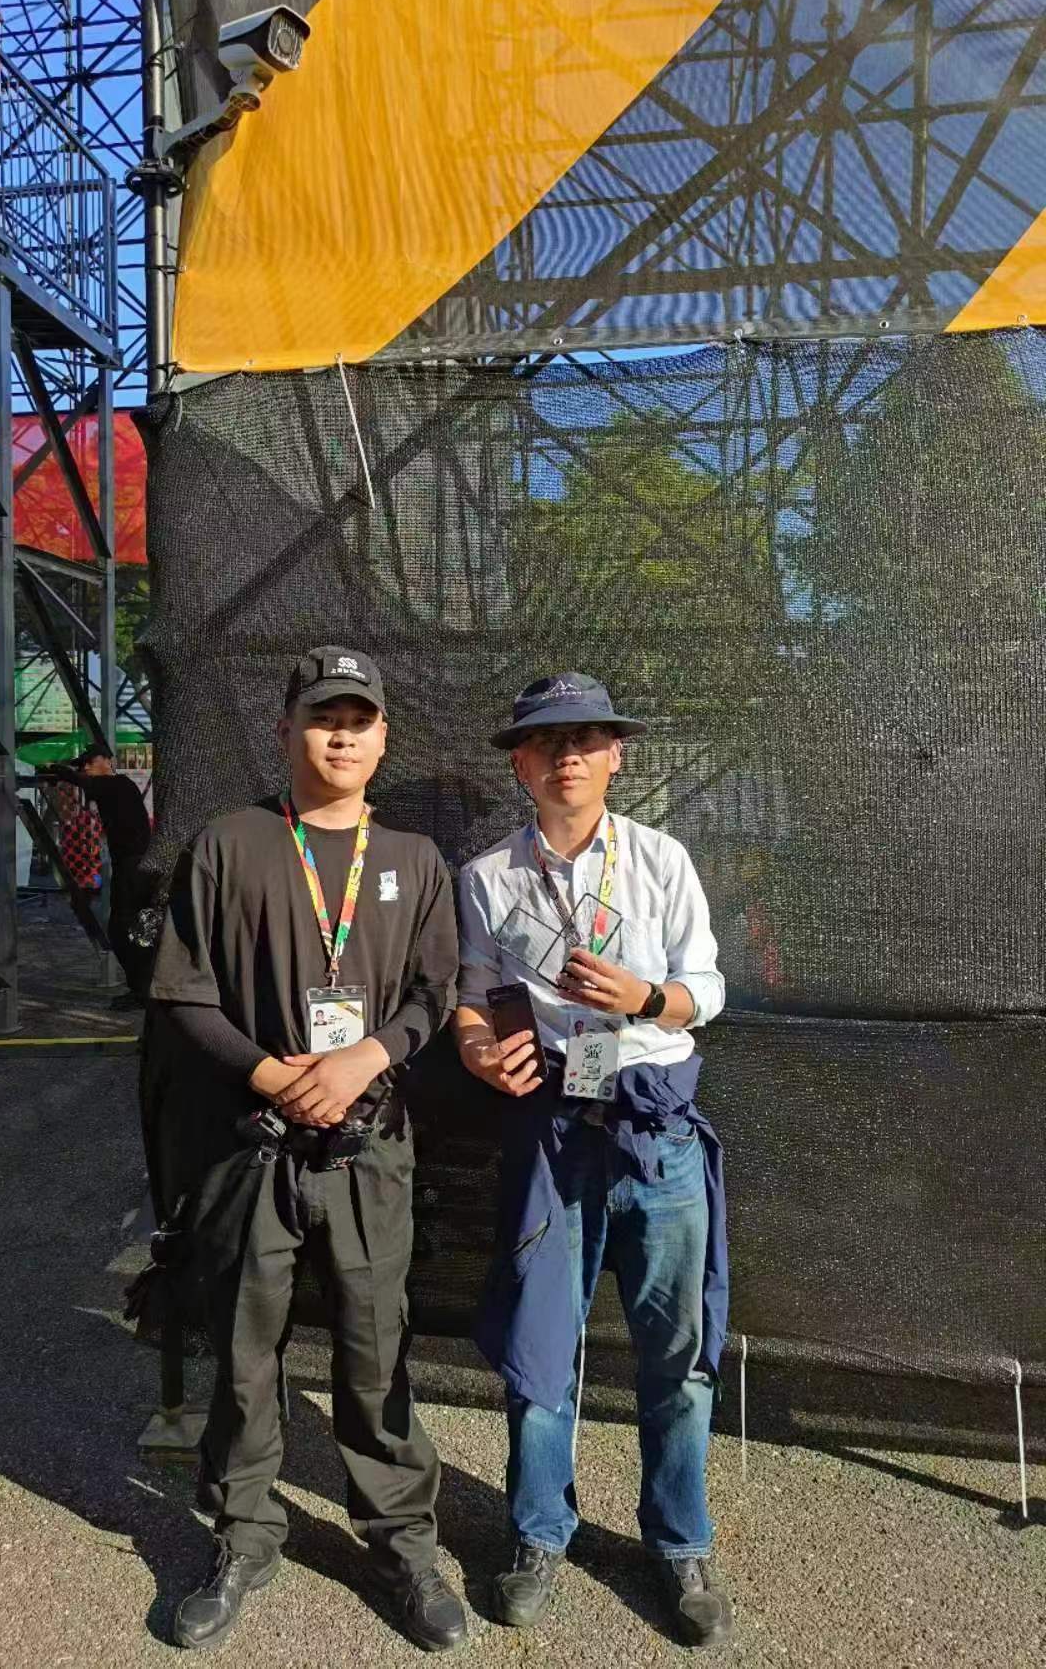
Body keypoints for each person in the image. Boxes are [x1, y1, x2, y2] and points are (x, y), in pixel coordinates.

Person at [147, 646, 467, 1655]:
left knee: (376, 1352)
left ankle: (401, 1543)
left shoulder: (412, 859)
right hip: (252, 1150)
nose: (341, 735)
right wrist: (268, 1074)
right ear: (285, 728)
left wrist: (368, 1054)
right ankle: (243, 1533)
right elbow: (183, 992)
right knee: (246, 1354)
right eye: (323, 717)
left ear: (383, 738)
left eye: (359, 720)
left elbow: (435, 995)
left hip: (368, 1152)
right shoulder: (229, 843)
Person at [453, 672, 731, 1648]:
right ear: (520, 765)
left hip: (656, 1136)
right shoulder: (487, 877)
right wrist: (477, 1051)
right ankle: (537, 1533)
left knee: (677, 1359)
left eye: (586, 738)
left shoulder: (660, 859)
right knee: (541, 1349)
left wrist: (644, 998)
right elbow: (473, 996)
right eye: (546, 741)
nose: (566, 754)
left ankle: (679, 1542)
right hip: (553, 1134)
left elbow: (707, 989)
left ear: (615, 755)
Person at [39, 746, 153, 1004]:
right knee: (129, 928)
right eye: (84, 763)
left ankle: (142, 989)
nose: (86, 767)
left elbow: (81, 780)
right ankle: (143, 987)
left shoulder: (117, 784)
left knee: (123, 929)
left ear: (108, 761)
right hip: (133, 865)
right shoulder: (113, 787)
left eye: (90, 761)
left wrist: (54, 768)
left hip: (133, 866)